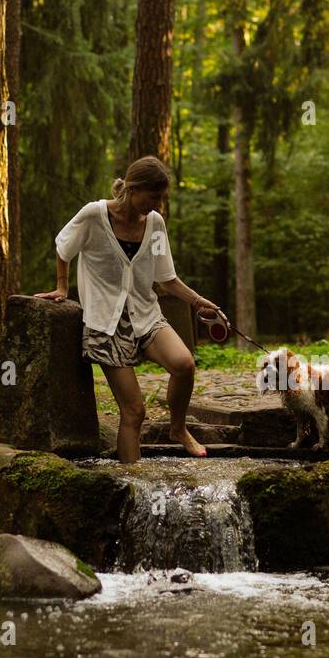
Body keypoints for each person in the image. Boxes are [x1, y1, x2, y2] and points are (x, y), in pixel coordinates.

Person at [36, 156, 224, 460]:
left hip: (145, 314)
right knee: (134, 411)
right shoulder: (94, 215)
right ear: (133, 189)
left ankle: (178, 428)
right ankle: (131, 484)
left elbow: (167, 278)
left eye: (161, 198)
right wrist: (61, 286)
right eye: (153, 197)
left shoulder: (155, 223)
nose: (158, 205)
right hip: (104, 324)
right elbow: (64, 247)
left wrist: (199, 301)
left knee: (184, 364)